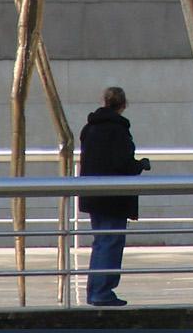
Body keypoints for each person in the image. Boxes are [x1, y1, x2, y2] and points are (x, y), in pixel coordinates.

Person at [77, 86, 151, 307]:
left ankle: (95, 290)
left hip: (94, 194)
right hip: (113, 198)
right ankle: (102, 291)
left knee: (101, 242)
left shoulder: (90, 128)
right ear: (123, 105)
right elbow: (122, 164)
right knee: (110, 242)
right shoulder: (118, 130)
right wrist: (140, 165)